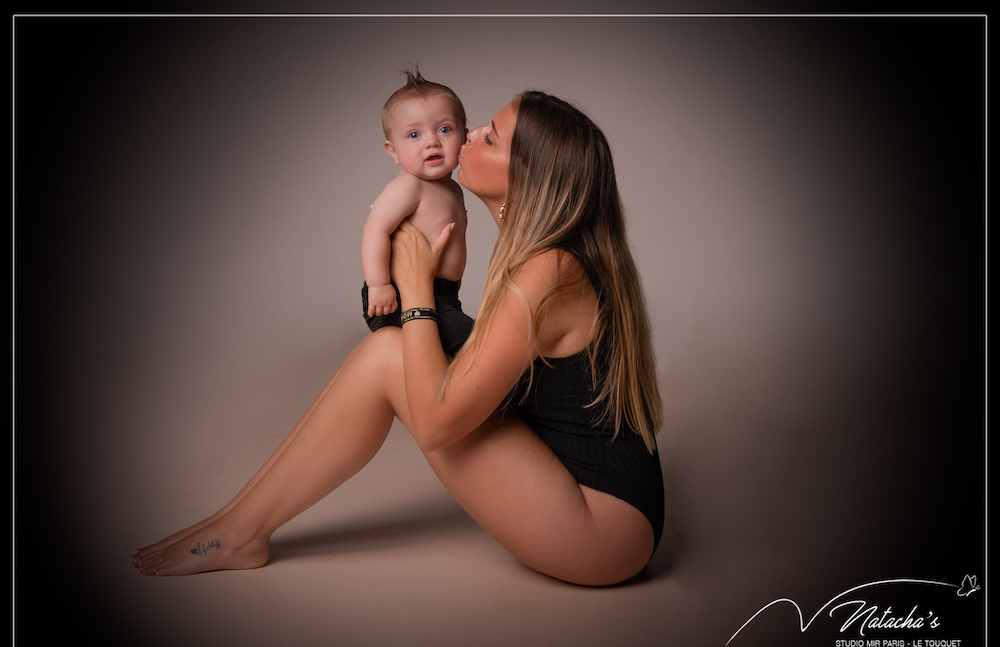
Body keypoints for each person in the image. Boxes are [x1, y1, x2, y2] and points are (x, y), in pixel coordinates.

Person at [133, 90, 664, 586]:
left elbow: (434, 425)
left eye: (491, 137)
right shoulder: (553, 255)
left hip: (606, 531)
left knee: (391, 354)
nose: (472, 132)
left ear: (527, 176)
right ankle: (236, 523)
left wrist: (413, 291)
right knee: (388, 352)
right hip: (590, 488)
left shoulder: (548, 272)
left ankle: (240, 533)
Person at [361, 68, 472, 356]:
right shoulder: (409, 186)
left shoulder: (455, 190)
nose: (432, 141)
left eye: (445, 129)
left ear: (465, 137)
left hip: (444, 293)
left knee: (454, 353)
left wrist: (454, 276)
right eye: (413, 134)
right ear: (393, 151)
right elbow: (376, 229)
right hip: (398, 292)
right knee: (472, 343)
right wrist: (379, 284)